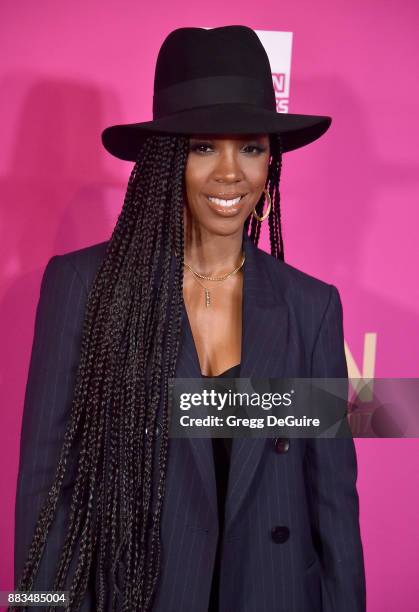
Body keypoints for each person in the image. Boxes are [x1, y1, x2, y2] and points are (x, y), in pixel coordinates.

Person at [13, 25, 366, 612]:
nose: (232, 173)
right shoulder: (84, 287)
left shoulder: (311, 306)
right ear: (164, 159)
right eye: (204, 146)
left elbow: (331, 498)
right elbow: (48, 487)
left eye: (251, 147)